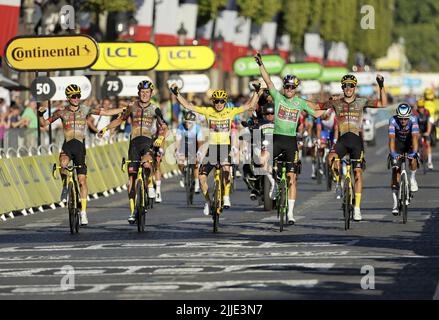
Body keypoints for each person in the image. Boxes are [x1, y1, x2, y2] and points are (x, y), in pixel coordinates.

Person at [38, 84, 126, 226]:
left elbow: (105, 112)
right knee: (63, 164)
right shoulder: (61, 113)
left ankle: (83, 212)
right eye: (74, 96)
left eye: (79, 96)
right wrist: (40, 114)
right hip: (67, 146)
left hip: (80, 148)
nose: (77, 98)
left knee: (82, 181)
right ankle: (65, 186)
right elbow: (43, 125)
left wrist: (123, 109)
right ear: (68, 98)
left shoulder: (85, 110)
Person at [169, 82, 262, 216]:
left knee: (225, 169)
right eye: (216, 101)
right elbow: (188, 105)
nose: (219, 104)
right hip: (212, 148)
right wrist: (176, 93)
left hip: (225, 147)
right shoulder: (208, 112)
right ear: (213, 102)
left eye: (221, 101)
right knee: (201, 177)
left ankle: (226, 197)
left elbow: (249, 106)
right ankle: (207, 202)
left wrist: (257, 92)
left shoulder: (230, 111)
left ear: (225, 102)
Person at [255, 52, 326, 224]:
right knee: (261, 159)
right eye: (287, 87)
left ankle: (291, 213)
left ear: (296, 89)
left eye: (292, 88)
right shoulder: (278, 97)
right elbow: (269, 81)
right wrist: (260, 65)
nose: (289, 90)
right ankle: (272, 183)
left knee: (292, 178)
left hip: (291, 141)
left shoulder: (300, 103)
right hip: (277, 139)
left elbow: (316, 113)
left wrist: (332, 107)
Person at [98, 80, 168, 224]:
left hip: (148, 142)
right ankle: (131, 211)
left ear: (151, 94)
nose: (144, 94)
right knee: (131, 178)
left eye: (147, 92)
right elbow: (119, 120)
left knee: (147, 164)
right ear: (138, 93)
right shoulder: (131, 107)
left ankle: (149, 184)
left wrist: (160, 137)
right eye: (142, 92)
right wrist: (106, 129)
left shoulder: (155, 108)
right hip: (134, 143)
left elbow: (164, 126)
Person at [321, 74, 388, 221]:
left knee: (357, 173)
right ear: (342, 87)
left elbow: (383, 103)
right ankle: (338, 183)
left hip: (356, 141)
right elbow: (319, 111)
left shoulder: (361, 101)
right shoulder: (337, 103)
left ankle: (357, 208)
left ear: (355, 87)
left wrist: (381, 85)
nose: (348, 88)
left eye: (351, 85)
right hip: (342, 141)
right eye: (345, 85)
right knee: (330, 159)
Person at [388, 103, 419, 215]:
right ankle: (395, 203)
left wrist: (414, 153)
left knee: (413, 159)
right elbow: (391, 139)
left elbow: (415, 138)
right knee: (395, 169)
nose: (403, 121)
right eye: (401, 118)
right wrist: (393, 153)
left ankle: (412, 178)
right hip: (398, 144)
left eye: (405, 119)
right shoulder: (392, 120)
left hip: (410, 142)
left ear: (409, 116)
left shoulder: (414, 119)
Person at [175, 111, 204, 193]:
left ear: (194, 123)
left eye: (190, 123)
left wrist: (199, 152)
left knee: (195, 163)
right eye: (186, 122)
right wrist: (177, 151)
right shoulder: (181, 127)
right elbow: (178, 141)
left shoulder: (198, 128)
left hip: (195, 146)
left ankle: (197, 183)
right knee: (180, 161)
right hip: (184, 145)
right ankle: (184, 174)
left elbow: (200, 143)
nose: (187, 124)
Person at [414, 99, 434, 169]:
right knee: (416, 142)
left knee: (428, 143)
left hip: (426, 128)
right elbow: (414, 124)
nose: (421, 108)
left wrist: (428, 132)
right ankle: (418, 156)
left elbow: (429, 123)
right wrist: (416, 133)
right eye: (419, 107)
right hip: (418, 128)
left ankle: (429, 162)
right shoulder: (415, 113)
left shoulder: (427, 112)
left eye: (422, 107)